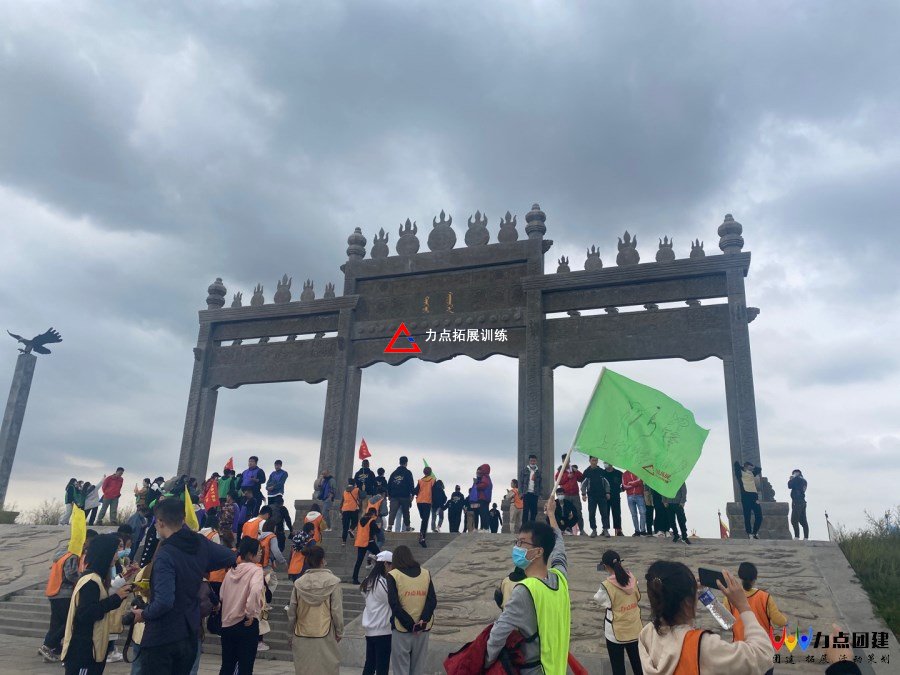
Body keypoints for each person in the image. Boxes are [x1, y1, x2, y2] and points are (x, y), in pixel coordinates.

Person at [130, 497, 237, 673]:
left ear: (161, 522)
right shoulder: (200, 543)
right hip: (189, 634)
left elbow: (164, 601)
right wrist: (201, 564)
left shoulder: (165, 554)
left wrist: (144, 613)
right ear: (183, 519)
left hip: (162, 637)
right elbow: (230, 556)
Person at [637, 561, 773, 674]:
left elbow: (728, 623)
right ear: (687, 603)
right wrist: (743, 606)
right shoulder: (703, 646)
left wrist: (699, 595)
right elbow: (763, 654)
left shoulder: (647, 634)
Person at [486, 494, 569, 673]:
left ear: (539, 552)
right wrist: (551, 514)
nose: (516, 547)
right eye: (517, 542)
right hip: (557, 669)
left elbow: (497, 635)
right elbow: (559, 548)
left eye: (522, 543)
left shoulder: (525, 590)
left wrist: (485, 664)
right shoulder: (560, 578)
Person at [59, 533, 132, 675]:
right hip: (84, 651)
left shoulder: (96, 578)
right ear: (105, 553)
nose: (116, 556)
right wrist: (115, 599)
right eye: (114, 552)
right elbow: (85, 614)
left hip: (92, 649)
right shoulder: (91, 581)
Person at [288, 545, 344, 675]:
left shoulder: (299, 583)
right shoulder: (333, 582)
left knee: (305, 669)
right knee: (327, 668)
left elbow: (292, 612)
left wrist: (290, 634)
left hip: (301, 633)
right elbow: (336, 611)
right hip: (326, 632)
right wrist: (339, 631)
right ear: (323, 560)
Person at [39, 533, 90, 662]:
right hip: (64, 593)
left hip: (54, 592)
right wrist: (83, 578)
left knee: (56, 623)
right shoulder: (72, 556)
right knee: (68, 622)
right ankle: (48, 646)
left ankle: (51, 648)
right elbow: (70, 574)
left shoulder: (62, 554)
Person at [725, 562, 787, 668]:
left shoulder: (729, 598)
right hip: (762, 650)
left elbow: (726, 622)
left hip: (740, 651)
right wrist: (785, 619)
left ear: (740, 577)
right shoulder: (765, 597)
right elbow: (779, 621)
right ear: (755, 579)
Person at [387, 545, 436, 675]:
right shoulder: (425, 573)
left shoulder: (393, 575)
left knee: (401, 668)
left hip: (402, 629)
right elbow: (432, 600)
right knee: (418, 668)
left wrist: (410, 625)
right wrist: (423, 620)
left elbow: (394, 604)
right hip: (423, 629)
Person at [218, 537, 265, 675]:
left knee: (227, 666)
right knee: (245, 666)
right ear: (250, 554)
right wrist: (250, 613)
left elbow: (221, 595)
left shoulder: (231, 571)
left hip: (227, 624)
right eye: (258, 551)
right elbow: (255, 591)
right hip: (245, 623)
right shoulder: (256, 570)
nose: (261, 553)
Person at [593, 550, 643, 675]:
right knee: (639, 666)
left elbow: (598, 599)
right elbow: (637, 597)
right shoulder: (633, 579)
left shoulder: (606, 586)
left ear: (605, 566)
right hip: (634, 628)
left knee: (618, 669)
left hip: (615, 633)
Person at [361, 550, 394, 675]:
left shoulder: (368, 580)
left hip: (370, 629)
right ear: (385, 564)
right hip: (382, 630)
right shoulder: (381, 582)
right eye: (392, 565)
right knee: (382, 667)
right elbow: (391, 599)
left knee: (370, 664)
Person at [581, 456, 611, 537]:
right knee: (591, 514)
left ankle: (605, 530)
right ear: (589, 461)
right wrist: (583, 494)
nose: (594, 462)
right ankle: (594, 530)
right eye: (593, 460)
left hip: (602, 496)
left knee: (604, 513)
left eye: (596, 460)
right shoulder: (586, 472)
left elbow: (607, 483)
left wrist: (608, 492)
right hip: (591, 496)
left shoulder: (602, 471)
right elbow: (583, 484)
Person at [734, 460, 763, 539]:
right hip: (745, 496)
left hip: (754, 496)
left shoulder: (752, 473)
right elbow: (736, 464)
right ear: (745, 467)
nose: (750, 468)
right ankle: (749, 533)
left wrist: (752, 467)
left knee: (759, 516)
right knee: (747, 516)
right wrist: (744, 467)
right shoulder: (740, 473)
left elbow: (759, 469)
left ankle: (755, 532)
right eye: (749, 467)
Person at [555, 455, 584, 534]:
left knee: (578, 512)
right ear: (562, 461)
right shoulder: (560, 470)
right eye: (565, 460)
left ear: (569, 460)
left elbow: (581, 478)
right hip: (566, 495)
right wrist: (567, 477)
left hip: (575, 495)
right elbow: (558, 481)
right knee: (565, 513)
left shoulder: (574, 470)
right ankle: (566, 529)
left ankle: (581, 530)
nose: (566, 461)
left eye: (568, 460)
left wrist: (576, 471)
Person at [352, 507, 382, 584]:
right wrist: (379, 526)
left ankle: (355, 579)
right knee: (380, 557)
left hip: (360, 542)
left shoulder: (361, 520)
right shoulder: (371, 521)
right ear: (373, 513)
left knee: (359, 561)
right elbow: (377, 530)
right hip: (369, 542)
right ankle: (380, 575)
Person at [387, 457, 415, 533]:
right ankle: (407, 527)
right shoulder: (408, 472)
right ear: (406, 463)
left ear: (399, 462)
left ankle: (389, 527)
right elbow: (411, 484)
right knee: (406, 512)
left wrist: (389, 495)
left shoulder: (394, 473)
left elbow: (389, 484)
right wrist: (412, 494)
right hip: (405, 496)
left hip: (394, 496)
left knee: (392, 512)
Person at [414, 466, 435, 547]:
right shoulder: (433, 480)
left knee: (423, 518)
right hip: (427, 502)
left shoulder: (420, 481)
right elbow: (435, 491)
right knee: (425, 519)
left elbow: (416, 491)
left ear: (424, 472)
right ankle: (422, 537)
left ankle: (422, 535)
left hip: (419, 502)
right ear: (430, 472)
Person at [519, 454, 543, 524]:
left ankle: (532, 526)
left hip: (535, 493)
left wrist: (540, 494)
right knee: (525, 511)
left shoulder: (538, 472)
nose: (533, 462)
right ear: (529, 461)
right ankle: (524, 526)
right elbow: (520, 482)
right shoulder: (524, 470)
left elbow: (540, 484)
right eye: (531, 461)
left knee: (534, 511)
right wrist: (521, 493)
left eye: (534, 461)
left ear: (536, 461)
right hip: (526, 493)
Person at [603, 463, 625, 536]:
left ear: (611, 464)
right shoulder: (602, 473)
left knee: (617, 513)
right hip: (605, 497)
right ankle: (605, 530)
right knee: (605, 513)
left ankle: (618, 530)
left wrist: (622, 489)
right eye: (604, 463)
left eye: (606, 463)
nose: (605, 464)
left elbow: (625, 482)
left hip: (615, 496)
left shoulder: (619, 473)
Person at [621, 470, 646, 536]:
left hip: (639, 495)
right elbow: (625, 486)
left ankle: (643, 530)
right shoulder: (625, 474)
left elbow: (640, 481)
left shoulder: (638, 472)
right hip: (630, 496)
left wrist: (630, 483)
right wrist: (635, 483)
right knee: (634, 514)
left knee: (643, 513)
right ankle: (637, 531)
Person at [788, 469, 809, 540]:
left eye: (794, 473)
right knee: (803, 520)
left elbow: (789, 486)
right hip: (802, 502)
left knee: (794, 520)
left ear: (797, 473)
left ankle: (797, 536)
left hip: (797, 502)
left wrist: (791, 479)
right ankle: (806, 537)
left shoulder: (796, 479)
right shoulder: (804, 480)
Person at [340, 478, 361, 545]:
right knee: (355, 522)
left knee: (345, 526)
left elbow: (342, 501)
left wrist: (340, 510)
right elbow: (362, 497)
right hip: (354, 509)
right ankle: (351, 529)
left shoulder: (345, 491)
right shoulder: (357, 490)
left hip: (345, 509)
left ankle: (344, 541)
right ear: (354, 483)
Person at [472, 464, 493, 530]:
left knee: (483, 513)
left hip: (483, 497)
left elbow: (484, 485)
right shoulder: (488, 477)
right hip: (486, 498)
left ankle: (485, 528)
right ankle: (485, 528)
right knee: (485, 513)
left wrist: (477, 486)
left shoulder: (484, 477)